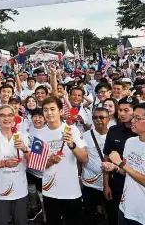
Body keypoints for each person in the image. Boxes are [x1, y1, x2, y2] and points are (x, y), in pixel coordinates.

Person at [41, 96, 88, 225]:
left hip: (71, 190)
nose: (49, 113)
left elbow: (84, 158)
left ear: (60, 111)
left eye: (52, 109)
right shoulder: (39, 134)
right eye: (45, 110)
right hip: (50, 190)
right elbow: (38, 165)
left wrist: (72, 145)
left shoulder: (72, 130)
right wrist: (50, 161)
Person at [102, 96, 139, 225]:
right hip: (116, 182)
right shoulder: (113, 130)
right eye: (120, 110)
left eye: (126, 110)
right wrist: (106, 185)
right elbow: (106, 159)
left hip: (137, 184)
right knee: (113, 216)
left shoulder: (144, 133)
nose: (122, 114)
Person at [0, 105, 29, 225]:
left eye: (10, 115)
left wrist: (24, 149)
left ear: (14, 118)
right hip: (0, 192)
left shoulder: (24, 136)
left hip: (20, 190)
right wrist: (4, 163)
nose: (6, 118)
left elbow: (31, 161)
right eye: (2, 115)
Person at [82, 108, 110, 225]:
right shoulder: (85, 135)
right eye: (95, 117)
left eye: (101, 117)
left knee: (109, 212)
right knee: (89, 214)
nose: (98, 120)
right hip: (89, 182)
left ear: (108, 119)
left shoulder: (113, 136)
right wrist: (79, 176)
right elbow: (81, 158)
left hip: (107, 184)